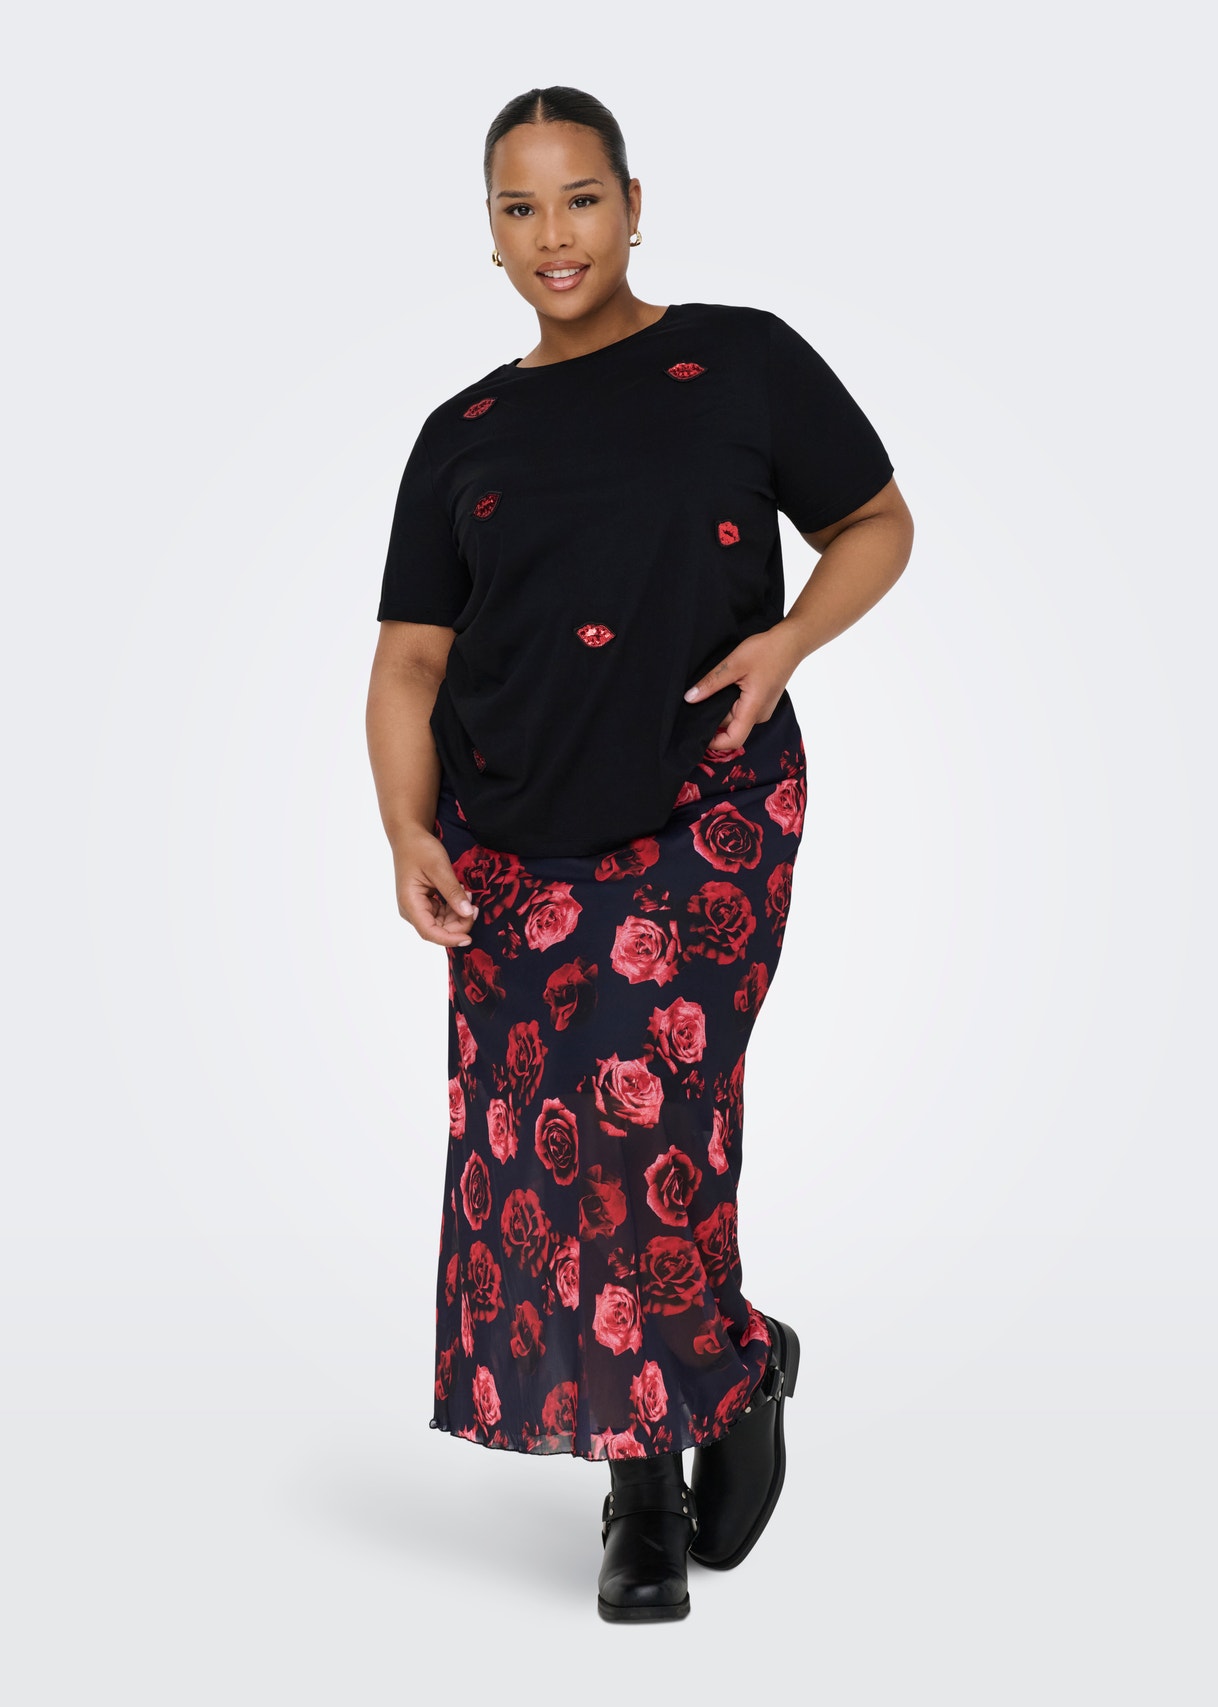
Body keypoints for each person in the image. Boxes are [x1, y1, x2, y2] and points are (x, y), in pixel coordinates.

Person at [365, 84, 914, 1624]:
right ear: (490, 233)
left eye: (581, 197)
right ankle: (733, 1367)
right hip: (510, 836)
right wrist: (405, 827)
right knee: (540, 1160)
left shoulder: (740, 359)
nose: (555, 233)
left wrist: (788, 646)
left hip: (703, 808)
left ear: (633, 205)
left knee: (639, 1121)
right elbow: (412, 661)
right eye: (521, 206)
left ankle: (643, 1493)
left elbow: (876, 522)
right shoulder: (462, 434)